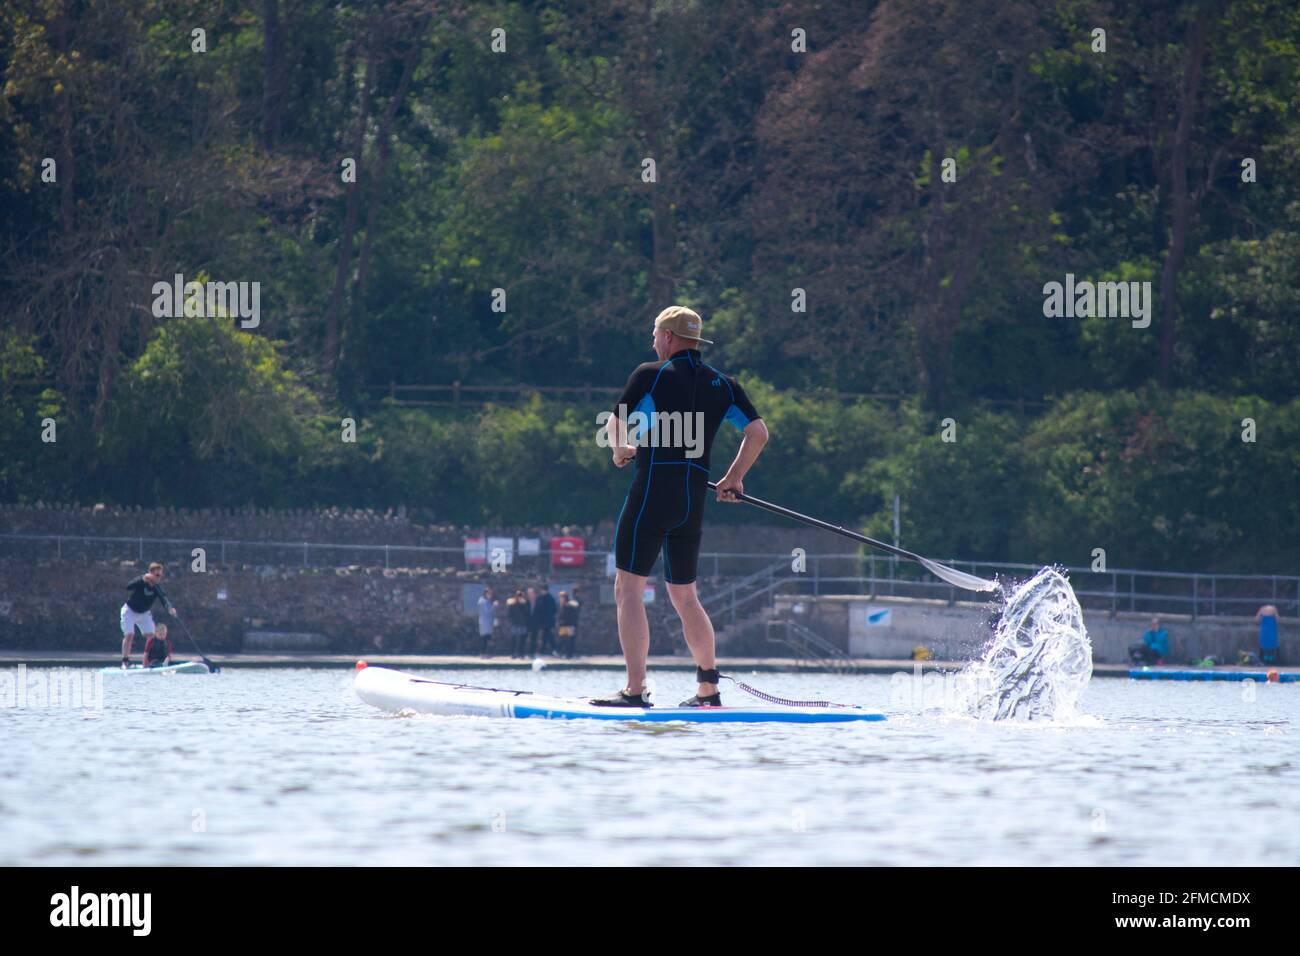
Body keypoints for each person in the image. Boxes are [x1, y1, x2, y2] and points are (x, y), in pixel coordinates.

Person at [593, 306, 767, 707]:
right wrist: (733, 478)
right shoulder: (724, 384)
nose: (653, 342)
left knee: (629, 588)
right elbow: (758, 433)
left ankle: (635, 690)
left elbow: (615, 422)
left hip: (653, 493)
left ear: (668, 337)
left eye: (655, 335)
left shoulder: (650, 374)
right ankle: (708, 690)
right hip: (691, 502)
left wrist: (620, 449)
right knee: (686, 597)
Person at [120, 562, 177, 668]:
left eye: (160, 575)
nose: (159, 578)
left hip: (144, 613)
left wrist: (170, 608)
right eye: (157, 575)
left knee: (152, 637)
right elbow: (128, 587)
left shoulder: (157, 588)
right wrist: (141, 578)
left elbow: (164, 599)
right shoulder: (141, 582)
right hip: (129, 611)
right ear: (150, 574)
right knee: (129, 635)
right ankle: (125, 662)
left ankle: (150, 662)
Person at [533, 584, 558, 656]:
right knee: (546, 635)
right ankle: (547, 650)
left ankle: (551, 649)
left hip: (548, 621)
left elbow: (554, 610)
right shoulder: (541, 598)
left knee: (548, 635)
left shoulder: (550, 599)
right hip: (543, 621)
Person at [557, 590, 581, 659]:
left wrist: (572, 625)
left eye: (562, 597)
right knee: (562, 640)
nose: (560, 599)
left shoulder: (569, 606)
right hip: (563, 626)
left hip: (569, 626)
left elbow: (570, 616)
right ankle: (562, 653)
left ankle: (569, 654)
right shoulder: (562, 605)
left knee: (569, 641)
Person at [507, 589, 529, 658]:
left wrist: (523, 604)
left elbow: (527, 613)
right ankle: (513, 653)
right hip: (515, 624)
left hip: (523, 624)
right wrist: (512, 622)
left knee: (522, 639)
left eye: (520, 596)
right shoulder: (512, 604)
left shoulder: (524, 604)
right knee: (514, 639)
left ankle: (521, 653)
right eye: (518, 596)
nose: (519, 597)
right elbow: (509, 614)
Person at [476, 586, 498, 657]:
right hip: (484, 623)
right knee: (484, 638)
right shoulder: (482, 601)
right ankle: (482, 653)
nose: (490, 595)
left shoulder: (487, 601)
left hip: (488, 623)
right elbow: (487, 611)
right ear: (485, 594)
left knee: (488, 638)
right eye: (489, 594)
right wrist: (494, 606)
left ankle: (486, 653)